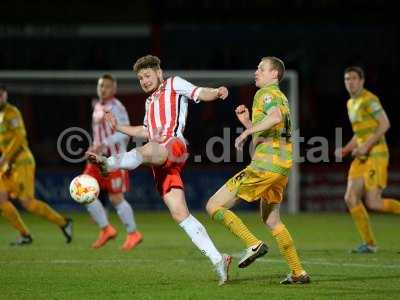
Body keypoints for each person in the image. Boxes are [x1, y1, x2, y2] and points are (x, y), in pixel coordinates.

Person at [87, 55, 231, 285]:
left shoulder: (173, 84)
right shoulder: (149, 102)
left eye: (147, 75)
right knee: (180, 214)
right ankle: (219, 259)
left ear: (159, 73)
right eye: (140, 78)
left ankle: (109, 163)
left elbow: (198, 92)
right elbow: (145, 130)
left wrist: (215, 92)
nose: (144, 81)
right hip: (160, 159)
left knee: (146, 150)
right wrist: (119, 127)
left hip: (173, 146)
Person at [205, 57, 310, 284]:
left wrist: (244, 134)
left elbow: (275, 118)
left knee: (213, 205)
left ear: (275, 74)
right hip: (281, 168)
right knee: (272, 219)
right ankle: (298, 272)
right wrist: (248, 124)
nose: (256, 72)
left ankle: (253, 244)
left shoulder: (266, 93)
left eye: (261, 69)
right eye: (257, 68)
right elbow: (270, 130)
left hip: (264, 166)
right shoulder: (281, 97)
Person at [334, 66, 400, 253]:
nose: (350, 82)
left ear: (362, 81)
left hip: (376, 154)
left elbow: (385, 124)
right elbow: (359, 134)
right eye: (347, 79)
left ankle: (370, 243)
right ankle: (370, 244)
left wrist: (366, 146)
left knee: (373, 202)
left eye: (354, 78)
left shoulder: (369, 100)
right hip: (361, 156)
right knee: (351, 198)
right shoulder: (350, 103)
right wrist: (347, 149)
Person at [0, 84, 72, 245]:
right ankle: (25, 234)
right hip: (7, 165)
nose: (0, 98)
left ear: (5, 95)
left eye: (2, 95)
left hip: (21, 161)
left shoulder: (12, 113)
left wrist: (4, 157)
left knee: (27, 203)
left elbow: (19, 137)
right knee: (1, 198)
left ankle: (64, 223)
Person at [84, 74, 142, 250]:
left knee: (116, 198)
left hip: (114, 158)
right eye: (101, 86)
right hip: (96, 159)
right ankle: (106, 229)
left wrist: (105, 143)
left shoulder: (117, 107)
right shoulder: (97, 106)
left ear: (114, 89)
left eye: (107, 86)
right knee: (84, 190)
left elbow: (125, 131)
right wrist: (95, 145)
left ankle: (133, 233)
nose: (103, 89)